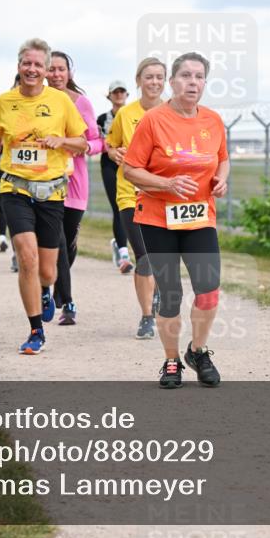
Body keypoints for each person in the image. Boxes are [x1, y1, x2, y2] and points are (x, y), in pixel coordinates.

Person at [123, 52, 229, 389]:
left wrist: (222, 179)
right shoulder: (153, 120)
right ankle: (171, 361)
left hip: (200, 218)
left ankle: (197, 351)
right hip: (158, 218)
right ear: (172, 82)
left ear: (205, 83)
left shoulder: (213, 120)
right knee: (170, 293)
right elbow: (130, 169)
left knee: (208, 290)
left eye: (199, 76)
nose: (192, 82)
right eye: (185, 75)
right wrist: (166, 184)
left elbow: (223, 159)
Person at [0, 37, 88, 355]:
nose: (32, 69)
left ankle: (45, 289)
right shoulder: (3, 102)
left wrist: (61, 141)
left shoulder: (60, 101)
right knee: (27, 257)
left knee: (48, 271)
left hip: (51, 191)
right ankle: (36, 330)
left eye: (38, 64)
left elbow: (82, 143)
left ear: (46, 70)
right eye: (26, 63)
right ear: (18, 66)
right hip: (15, 188)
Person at [107, 57, 167, 339]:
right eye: (149, 77)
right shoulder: (125, 114)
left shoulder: (173, 112)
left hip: (163, 195)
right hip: (130, 194)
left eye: (159, 77)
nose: (154, 82)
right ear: (138, 81)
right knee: (144, 256)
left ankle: (158, 293)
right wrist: (113, 152)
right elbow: (111, 144)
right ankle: (146, 317)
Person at [47, 50, 104, 325]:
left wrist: (81, 147)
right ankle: (67, 302)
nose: (56, 74)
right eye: (51, 69)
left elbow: (97, 141)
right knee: (56, 242)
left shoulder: (81, 102)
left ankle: (56, 288)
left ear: (69, 73)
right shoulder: (37, 101)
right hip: (46, 182)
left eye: (61, 69)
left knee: (68, 244)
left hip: (75, 182)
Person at [98, 80, 131, 269]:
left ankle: (125, 246)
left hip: (131, 164)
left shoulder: (133, 114)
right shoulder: (102, 119)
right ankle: (124, 255)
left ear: (127, 94)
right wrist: (110, 148)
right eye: (115, 92)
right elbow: (97, 141)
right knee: (118, 207)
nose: (119, 95)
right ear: (109, 96)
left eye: (122, 91)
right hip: (110, 165)